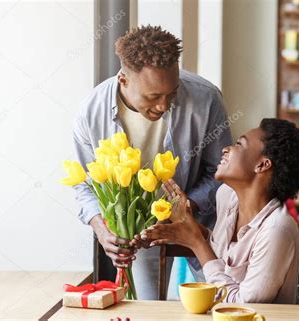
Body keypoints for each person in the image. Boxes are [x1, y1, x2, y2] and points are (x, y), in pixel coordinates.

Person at [72, 25, 232, 299]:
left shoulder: (206, 98)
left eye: (172, 93)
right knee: (147, 309)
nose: (163, 105)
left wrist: (186, 207)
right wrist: (101, 228)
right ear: (123, 80)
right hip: (141, 231)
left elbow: (221, 171)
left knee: (223, 301)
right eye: (152, 97)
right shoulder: (91, 112)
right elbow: (84, 186)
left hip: (204, 222)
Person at [141, 118, 299, 303]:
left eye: (239, 144)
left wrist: (197, 243)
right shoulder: (227, 196)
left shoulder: (276, 230)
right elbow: (220, 255)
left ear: (262, 165)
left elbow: (242, 307)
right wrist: (189, 226)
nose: (226, 149)